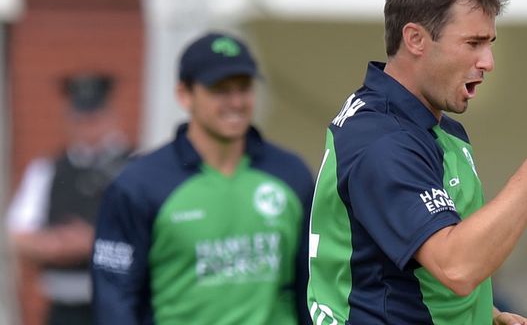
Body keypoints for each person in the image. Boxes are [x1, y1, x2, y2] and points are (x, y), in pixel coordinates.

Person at [306, 0, 527, 325]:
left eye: (490, 44)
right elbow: (456, 267)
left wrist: (484, 314)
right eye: (473, 43)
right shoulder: (383, 141)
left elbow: (398, 265)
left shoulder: (431, 128)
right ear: (416, 39)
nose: (488, 62)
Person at [91, 31, 314, 325]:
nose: (236, 102)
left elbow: (313, 285)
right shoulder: (138, 185)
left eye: (244, 87)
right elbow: (114, 300)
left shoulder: (291, 173)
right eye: (220, 89)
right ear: (184, 94)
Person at [6, 73, 133, 325]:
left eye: (94, 118)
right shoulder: (48, 169)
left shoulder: (135, 165)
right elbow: (18, 233)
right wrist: (55, 244)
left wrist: (92, 241)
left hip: (119, 302)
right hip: (65, 306)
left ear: (111, 117)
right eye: (80, 119)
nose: (88, 126)